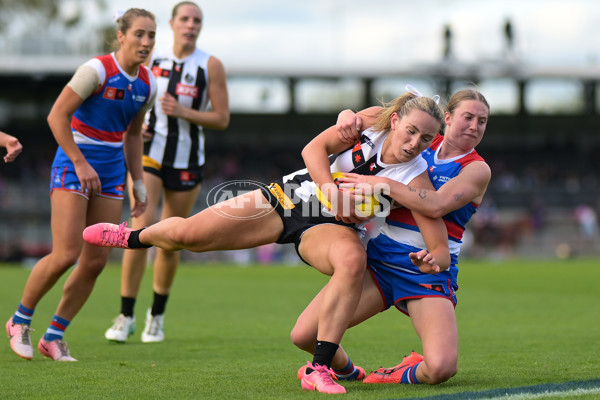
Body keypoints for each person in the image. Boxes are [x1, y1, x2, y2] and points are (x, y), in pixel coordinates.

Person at [84, 91, 449, 393]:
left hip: (331, 227)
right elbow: (312, 149)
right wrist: (331, 190)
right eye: (412, 131)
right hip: (290, 197)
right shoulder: (369, 123)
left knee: (352, 261)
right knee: (187, 236)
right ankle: (132, 236)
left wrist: (433, 259)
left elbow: (438, 242)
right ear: (397, 120)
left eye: (426, 139)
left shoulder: (417, 178)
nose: (415, 143)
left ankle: (318, 368)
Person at [290, 88, 491, 386]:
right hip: (382, 258)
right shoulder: (421, 136)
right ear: (446, 118)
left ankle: (398, 372)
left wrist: (381, 183)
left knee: (441, 368)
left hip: (428, 267)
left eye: (483, 121)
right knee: (304, 335)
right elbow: (377, 117)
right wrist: (347, 116)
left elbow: (434, 204)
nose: (475, 126)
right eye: (468, 117)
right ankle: (346, 369)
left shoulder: (476, 169)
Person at [5, 8, 157, 361]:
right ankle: (19, 320)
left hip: (111, 173)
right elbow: (56, 116)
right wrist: (79, 162)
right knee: (66, 254)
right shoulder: (97, 70)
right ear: (120, 36)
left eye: (151, 35)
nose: (145, 42)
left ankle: (54, 336)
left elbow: (133, 135)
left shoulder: (147, 84)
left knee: (95, 261)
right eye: (139, 34)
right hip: (74, 166)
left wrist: (139, 182)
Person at [104, 1, 230, 345]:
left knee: (173, 239)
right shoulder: (150, 56)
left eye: (197, 21)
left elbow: (221, 118)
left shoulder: (210, 65)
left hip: (187, 158)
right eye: (185, 19)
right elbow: (128, 96)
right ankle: (126, 314)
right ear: (173, 24)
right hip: (149, 153)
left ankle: (156, 316)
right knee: (140, 228)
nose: (191, 25)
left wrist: (185, 112)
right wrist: (135, 126)